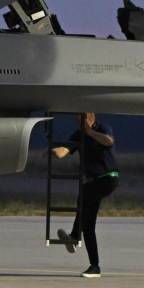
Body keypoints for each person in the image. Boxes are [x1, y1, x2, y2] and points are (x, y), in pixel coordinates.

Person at [52, 112, 119, 278]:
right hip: (90, 180)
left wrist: (90, 133)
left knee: (83, 197)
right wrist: (53, 152)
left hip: (107, 177)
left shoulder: (103, 128)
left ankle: (74, 236)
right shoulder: (77, 135)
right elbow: (63, 151)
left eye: (79, 119)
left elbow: (109, 141)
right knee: (89, 225)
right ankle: (94, 266)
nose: (76, 123)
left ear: (88, 117)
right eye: (75, 119)